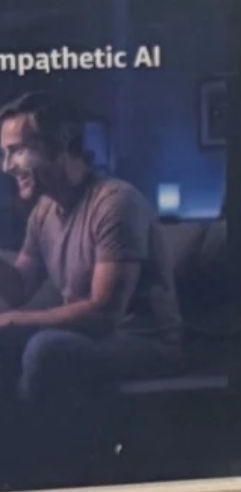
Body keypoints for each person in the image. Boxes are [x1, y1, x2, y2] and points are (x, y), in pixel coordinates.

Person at [0, 91, 182, 413]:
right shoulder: (44, 211)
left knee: (45, 348)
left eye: (17, 151)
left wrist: (14, 322)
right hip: (94, 338)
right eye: (4, 154)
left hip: (143, 342)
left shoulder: (116, 203)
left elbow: (104, 313)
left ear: (60, 143)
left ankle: (35, 442)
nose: (6, 166)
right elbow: (18, 290)